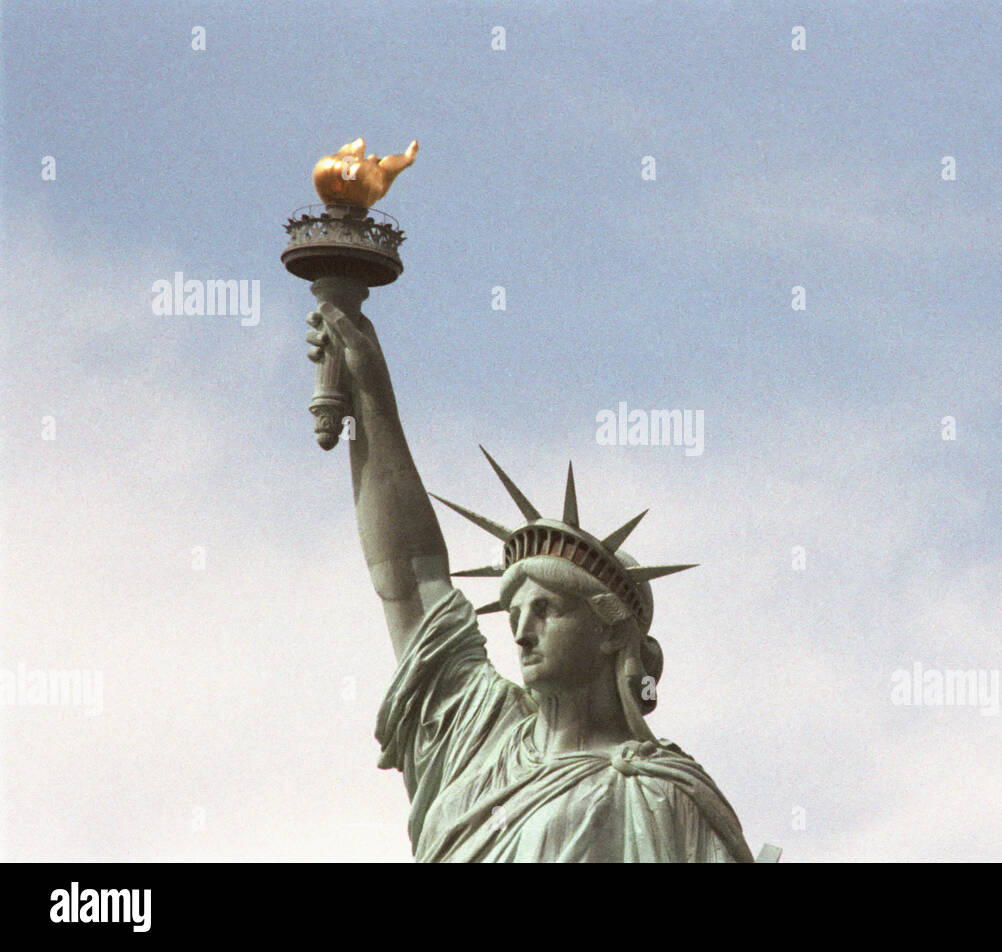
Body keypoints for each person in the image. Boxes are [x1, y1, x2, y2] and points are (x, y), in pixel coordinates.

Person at [305, 303, 754, 862]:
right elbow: (410, 580)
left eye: (546, 610)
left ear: (610, 632)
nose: (520, 634)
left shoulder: (663, 794)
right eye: (515, 615)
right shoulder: (479, 739)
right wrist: (371, 398)